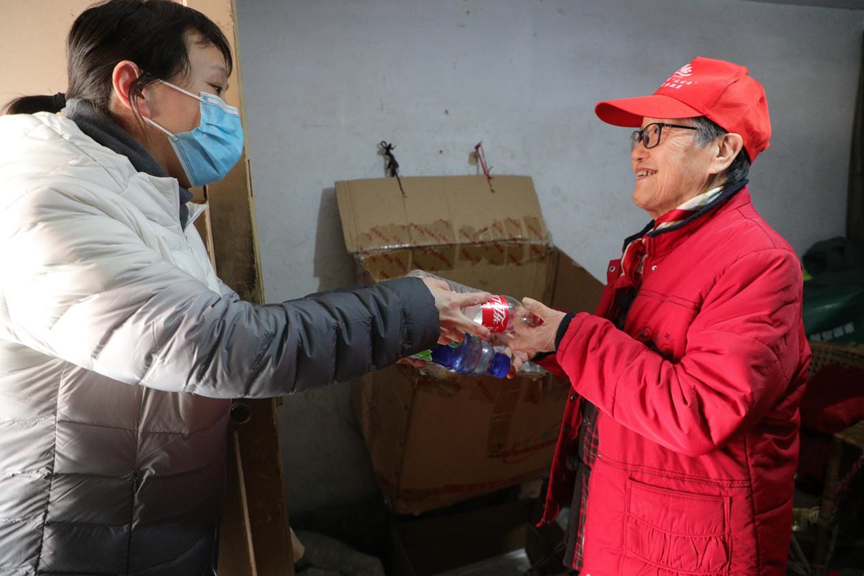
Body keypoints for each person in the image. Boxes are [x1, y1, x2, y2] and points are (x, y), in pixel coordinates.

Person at [0, 1, 490, 574]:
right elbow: (214, 344)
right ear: (135, 87)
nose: (226, 114)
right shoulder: (48, 198)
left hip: (131, 523)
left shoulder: (137, 191)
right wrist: (415, 304)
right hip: (68, 542)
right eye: (214, 90)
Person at [508, 57, 811, 575]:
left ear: (722, 150)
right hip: (628, 520)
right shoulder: (661, 245)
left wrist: (570, 336)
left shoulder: (759, 262)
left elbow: (698, 410)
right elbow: (638, 369)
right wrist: (551, 344)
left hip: (689, 548)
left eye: (657, 134)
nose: (637, 152)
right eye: (637, 137)